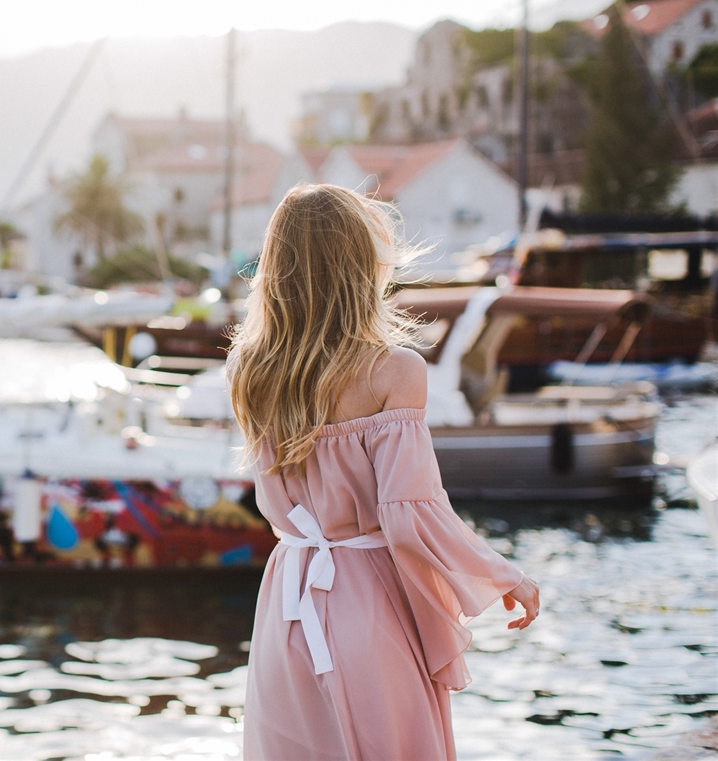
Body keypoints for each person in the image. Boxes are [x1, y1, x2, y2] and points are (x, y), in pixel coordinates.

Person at [227, 184, 540, 761]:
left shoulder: (249, 369)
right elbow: (411, 514)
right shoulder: (391, 371)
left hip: (286, 608)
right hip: (365, 603)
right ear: (361, 265)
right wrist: (502, 575)